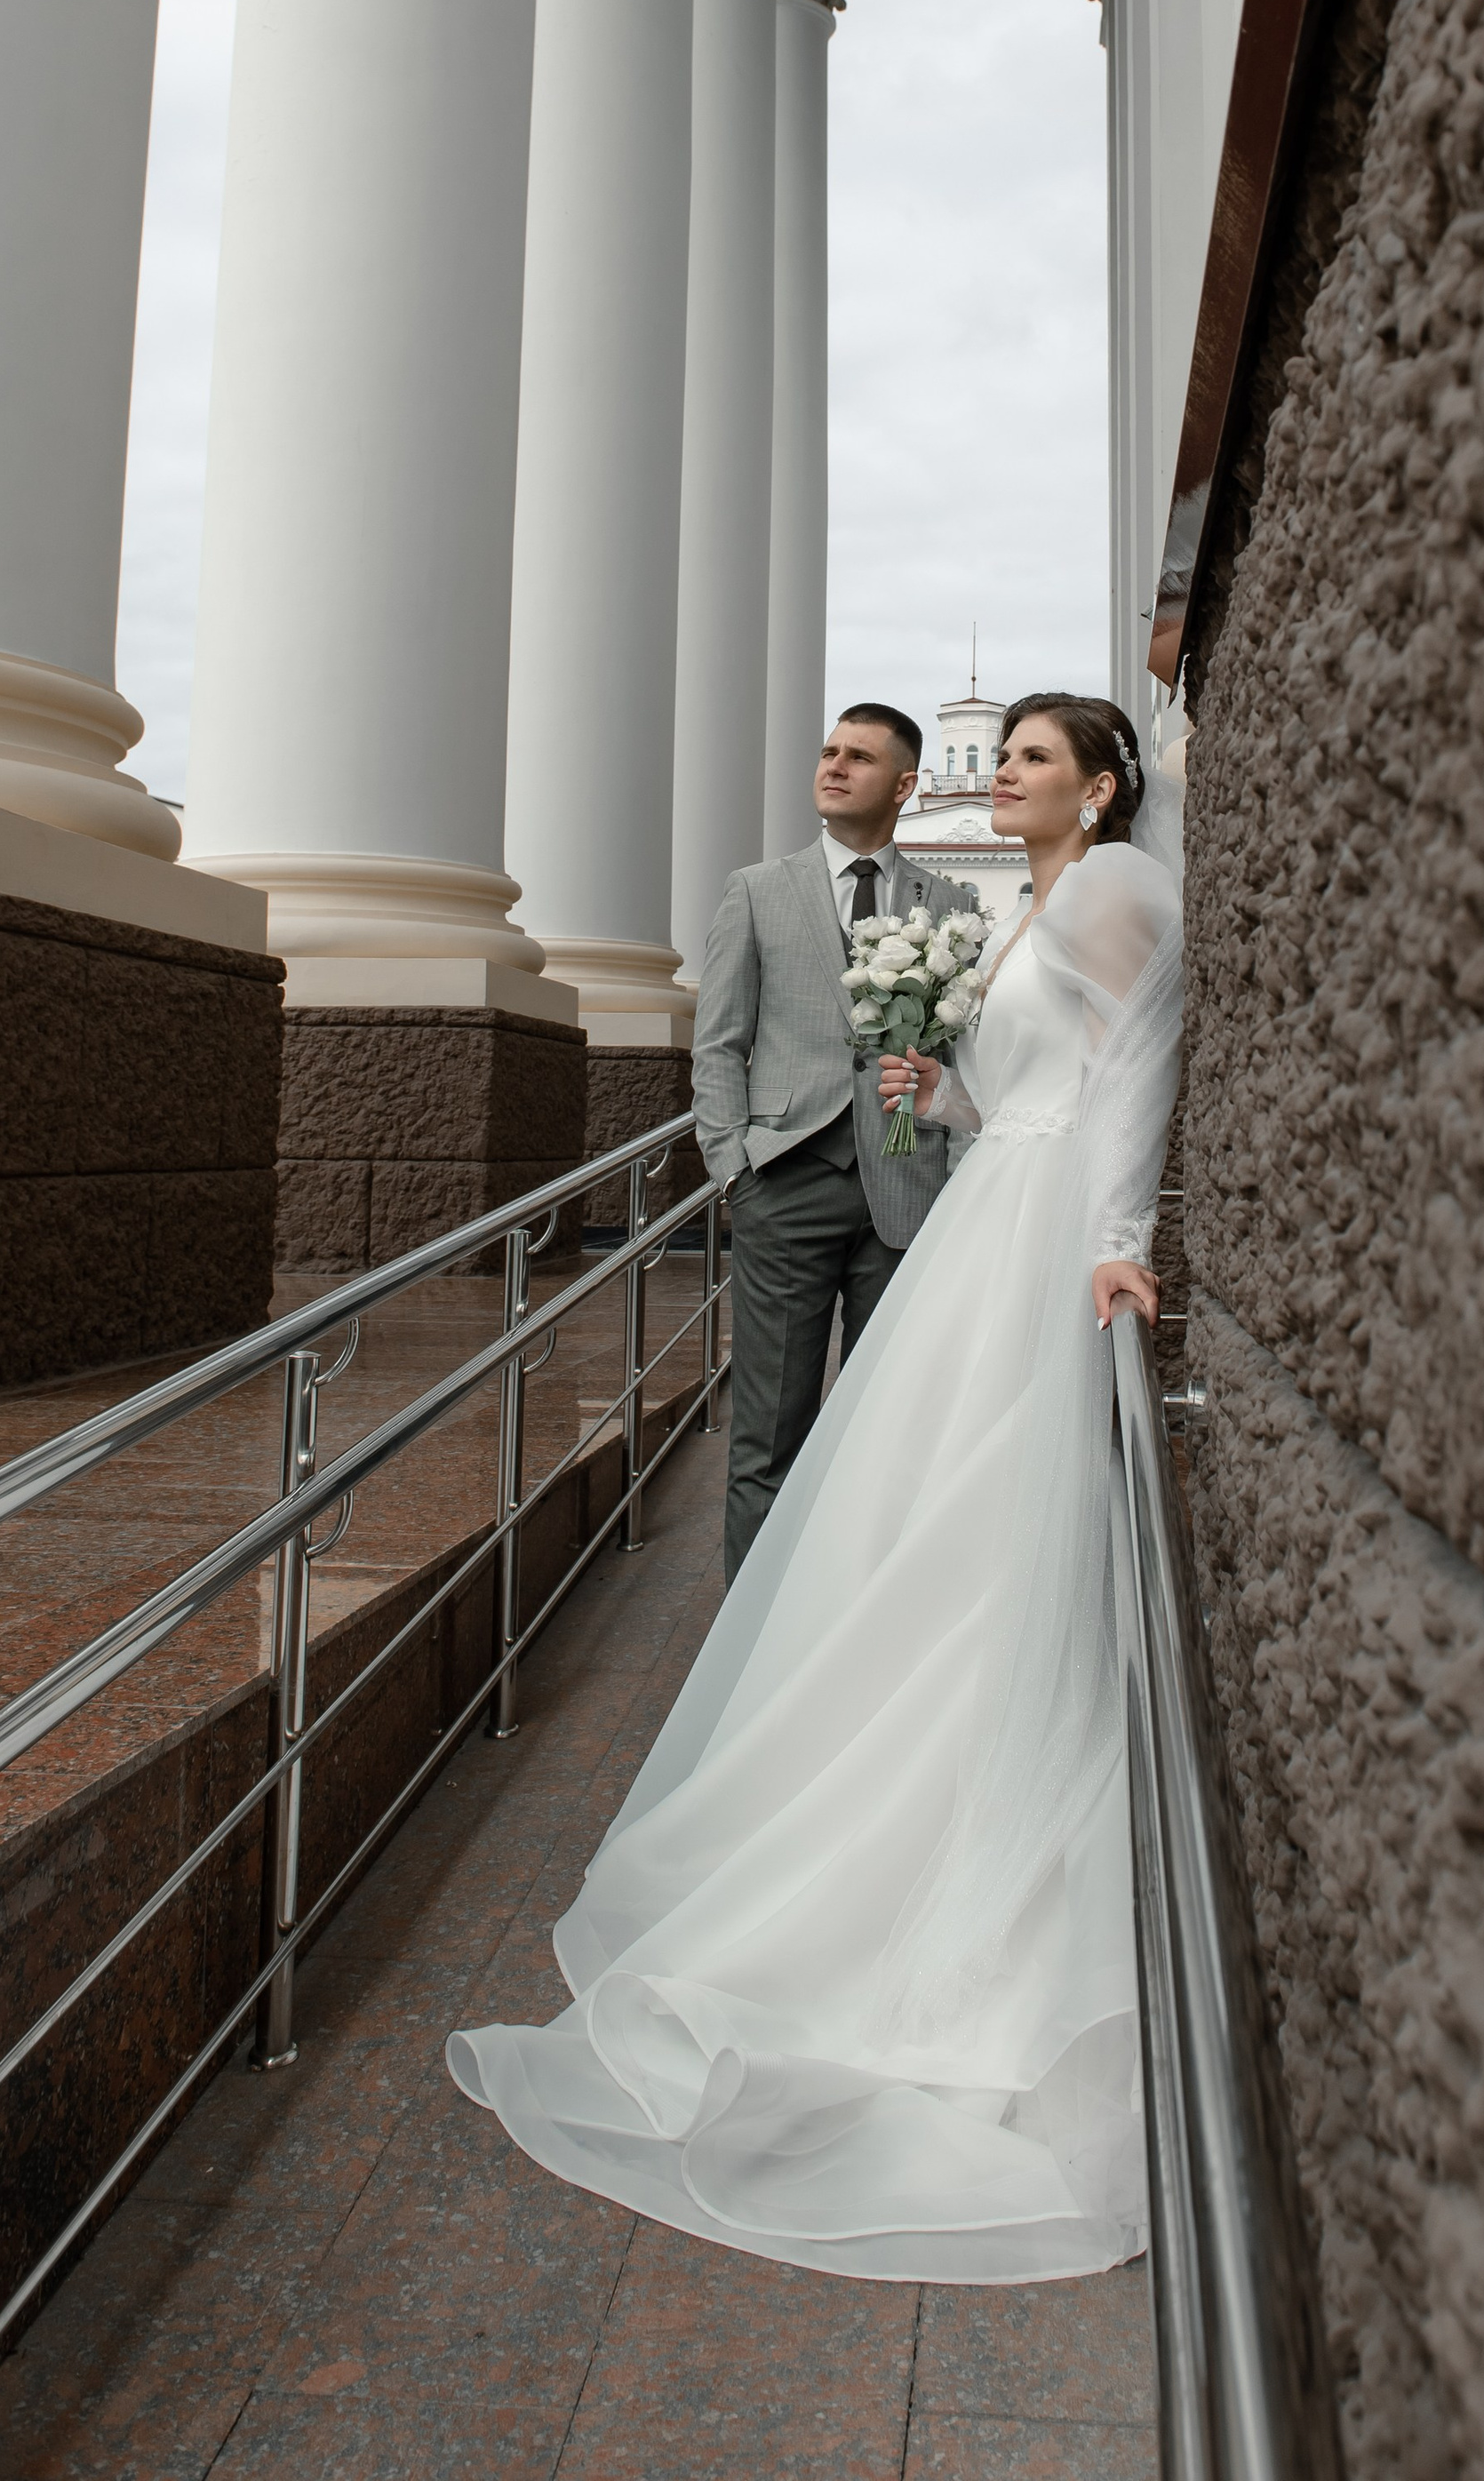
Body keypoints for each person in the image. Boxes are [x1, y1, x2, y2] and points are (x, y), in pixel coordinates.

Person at [448, 693, 1182, 2284]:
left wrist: (1119, 1239)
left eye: (1032, 760)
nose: (1006, 777)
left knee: (985, 1521)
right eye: (1004, 756)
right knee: (900, 1502)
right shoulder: (1022, 906)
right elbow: (1020, 1079)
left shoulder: (1115, 886)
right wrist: (942, 1096)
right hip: (979, 1205)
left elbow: (1136, 1066)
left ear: (1101, 787)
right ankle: (816, 1716)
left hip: (1039, 1235)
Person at [687, 703, 979, 1576]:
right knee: (768, 1436)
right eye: (829, 751)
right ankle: (752, 1635)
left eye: (859, 757)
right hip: (786, 1182)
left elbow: (963, 1056)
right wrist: (733, 1168)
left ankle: (854, 1615)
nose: (835, 766)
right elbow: (719, 1042)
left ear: (904, 784)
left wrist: (956, 1180)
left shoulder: (948, 905)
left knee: (886, 1431)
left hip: (906, 1190)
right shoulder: (757, 890)